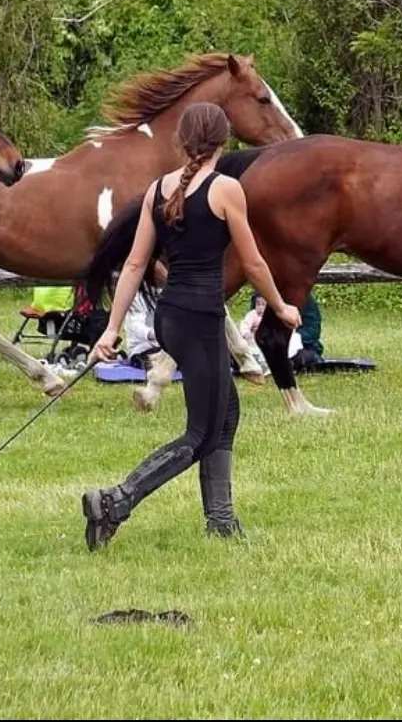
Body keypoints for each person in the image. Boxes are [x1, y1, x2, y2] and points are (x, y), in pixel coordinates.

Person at [82, 101, 302, 549]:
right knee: (200, 434)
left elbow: (135, 264)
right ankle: (115, 501)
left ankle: (221, 521)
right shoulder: (225, 190)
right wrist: (281, 306)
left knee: (227, 413)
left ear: (182, 142)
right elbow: (254, 262)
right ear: (226, 141)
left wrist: (111, 329)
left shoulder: (157, 190)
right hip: (201, 320)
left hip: (174, 318)